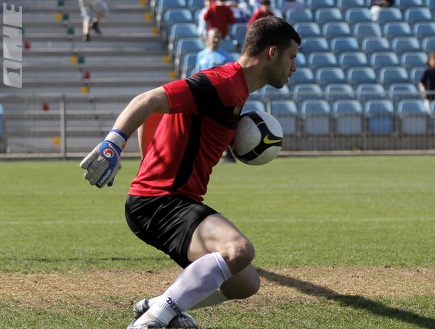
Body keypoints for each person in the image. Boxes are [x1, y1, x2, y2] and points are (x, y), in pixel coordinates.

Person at [79, 16, 300, 329]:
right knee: (238, 249)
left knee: (245, 283)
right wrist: (113, 144)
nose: (294, 68)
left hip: (170, 199)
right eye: (292, 57)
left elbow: (157, 112)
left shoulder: (236, 90)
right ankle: (152, 322)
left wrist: (149, 163)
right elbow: (149, 100)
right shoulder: (223, 82)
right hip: (162, 201)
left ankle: (158, 305)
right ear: (272, 53)